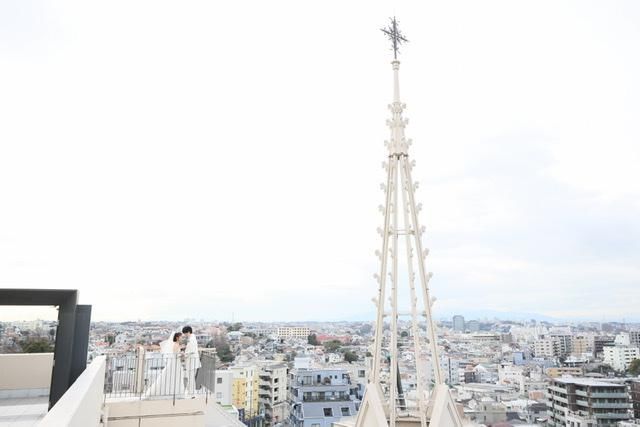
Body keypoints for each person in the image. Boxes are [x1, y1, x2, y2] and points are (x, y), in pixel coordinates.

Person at [143, 331, 185, 398]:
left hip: (176, 362)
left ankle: (174, 391)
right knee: (172, 377)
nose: (182, 338)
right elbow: (175, 355)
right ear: (177, 337)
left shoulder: (176, 344)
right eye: (181, 337)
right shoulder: (176, 344)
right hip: (175, 362)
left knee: (172, 377)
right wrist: (182, 354)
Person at [182, 325, 201, 396]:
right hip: (193, 360)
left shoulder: (192, 339)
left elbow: (191, 351)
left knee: (190, 377)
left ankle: (192, 393)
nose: (185, 335)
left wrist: (184, 354)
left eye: (185, 333)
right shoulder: (192, 338)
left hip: (192, 361)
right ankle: (191, 392)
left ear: (188, 332)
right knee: (191, 377)